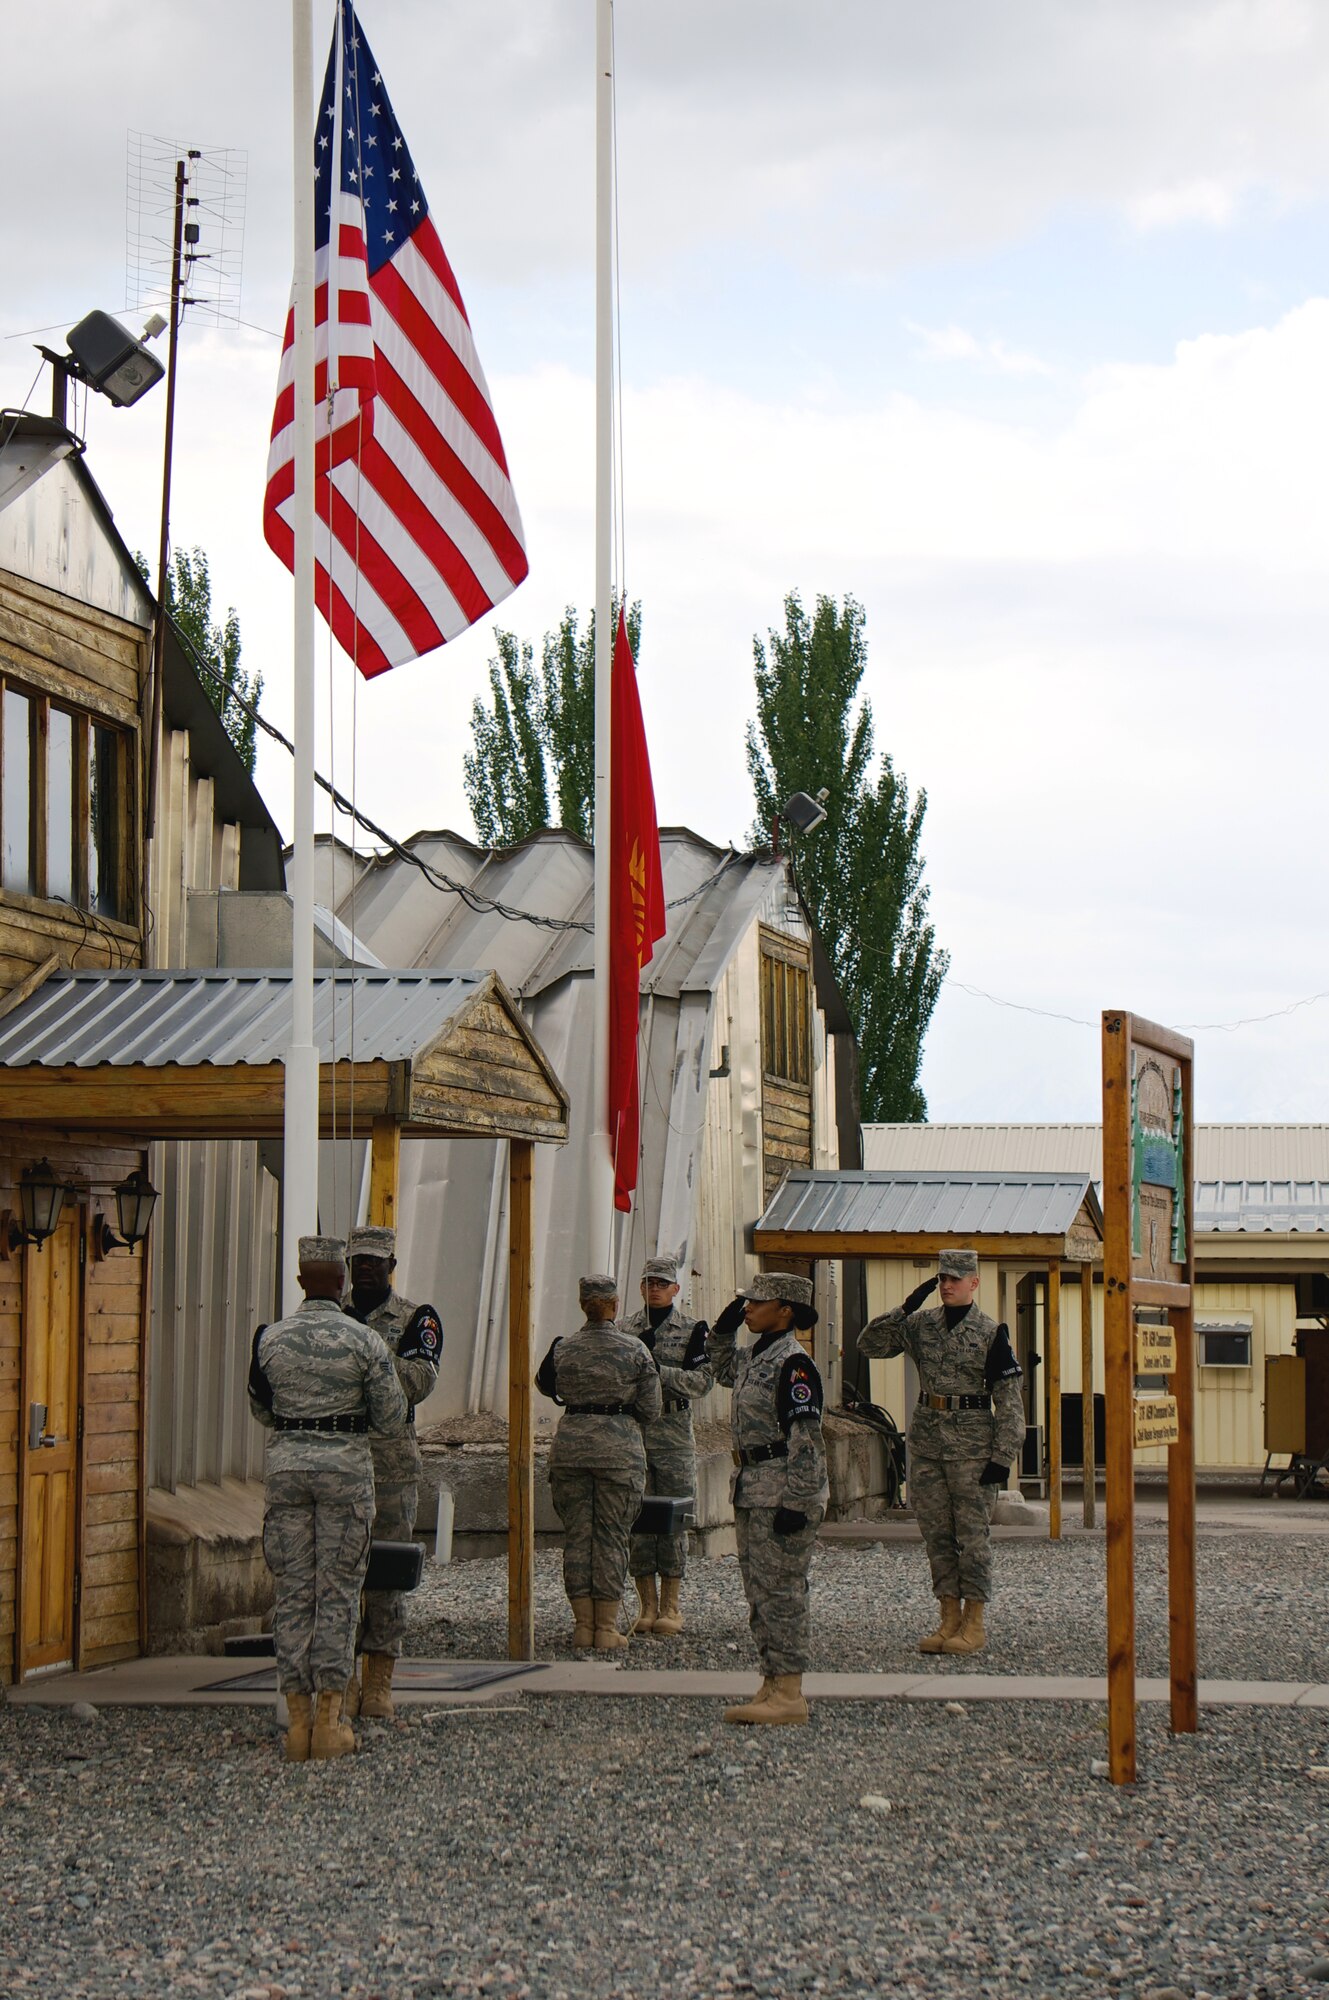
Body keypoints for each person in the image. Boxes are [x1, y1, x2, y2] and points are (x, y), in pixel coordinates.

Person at [248, 1236, 407, 1761]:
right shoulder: (364, 1340)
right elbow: (389, 1416)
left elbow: (262, 1410)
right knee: (338, 1592)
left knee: (294, 1594)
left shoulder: (270, 1339)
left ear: (300, 1281)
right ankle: (329, 1722)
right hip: (345, 1474)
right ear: (340, 1281)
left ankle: (296, 1725)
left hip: (288, 1473)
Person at [858, 1247, 1024, 1657]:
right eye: (942, 1278)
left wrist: (1003, 1456)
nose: (947, 1285)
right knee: (936, 1536)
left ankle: (975, 1623)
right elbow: (869, 1345)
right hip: (929, 1444)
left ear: (974, 1283)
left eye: (955, 1278)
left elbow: (1009, 1399)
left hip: (972, 1447)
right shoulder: (921, 1325)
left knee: (972, 1537)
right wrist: (903, 1309)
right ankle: (948, 1618)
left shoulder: (990, 1332)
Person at [707, 1273, 827, 1726]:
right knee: (759, 1591)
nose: (749, 1309)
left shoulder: (794, 1365)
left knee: (782, 1591)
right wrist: (723, 1325)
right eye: (746, 1303)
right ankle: (771, 1680)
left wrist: (798, 1501)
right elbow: (716, 1364)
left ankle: (790, 1693)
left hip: (782, 1488)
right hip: (753, 1485)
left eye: (758, 1303)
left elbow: (806, 1438)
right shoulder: (753, 1358)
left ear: (786, 1311)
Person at [343, 1224, 443, 1721]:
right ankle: (339, 1677)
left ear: (391, 1267)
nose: (365, 1268)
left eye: (374, 1261)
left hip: (390, 1463)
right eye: (358, 1260)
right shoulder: (329, 1316)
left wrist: (362, 1353)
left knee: (384, 1571)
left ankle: (378, 1677)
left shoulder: (414, 1319)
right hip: (337, 1457)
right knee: (338, 1572)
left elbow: (417, 1382)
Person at [536, 1274, 662, 1651]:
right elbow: (652, 1409)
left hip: (571, 1449)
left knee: (578, 1537)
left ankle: (582, 1625)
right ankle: (607, 1628)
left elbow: (545, 1384)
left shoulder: (563, 1348)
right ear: (615, 1305)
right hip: (618, 1451)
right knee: (611, 1536)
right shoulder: (636, 1350)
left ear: (582, 1304)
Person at [618, 1253, 712, 1637]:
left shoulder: (693, 1330)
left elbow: (703, 1381)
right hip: (635, 1432)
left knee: (673, 1519)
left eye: (662, 1283)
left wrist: (659, 1371)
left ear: (675, 1289)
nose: (655, 1289)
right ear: (641, 1288)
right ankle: (646, 1604)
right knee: (637, 1516)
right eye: (649, 1283)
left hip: (673, 1431)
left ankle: (671, 1604)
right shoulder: (623, 1330)